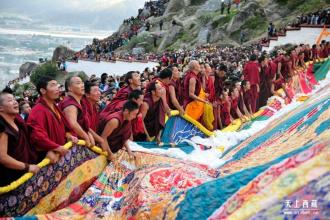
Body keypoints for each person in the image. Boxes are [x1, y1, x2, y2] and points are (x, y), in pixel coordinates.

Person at [27, 76, 77, 163]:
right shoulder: (37, 111)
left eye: (57, 85)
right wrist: (54, 147)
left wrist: (69, 135)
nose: (57, 87)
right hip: (51, 155)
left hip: (61, 150)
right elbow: (37, 136)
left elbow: (64, 128)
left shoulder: (54, 107)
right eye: (53, 85)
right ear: (43, 91)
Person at [0, 92, 40, 186]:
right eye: (10, 101)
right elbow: (2, 157)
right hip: (14, 176)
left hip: (27, 170)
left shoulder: (18, 122)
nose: (15, 102)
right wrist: (27, 167)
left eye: (14, 99)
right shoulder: (2, 127)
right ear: (0, 108)